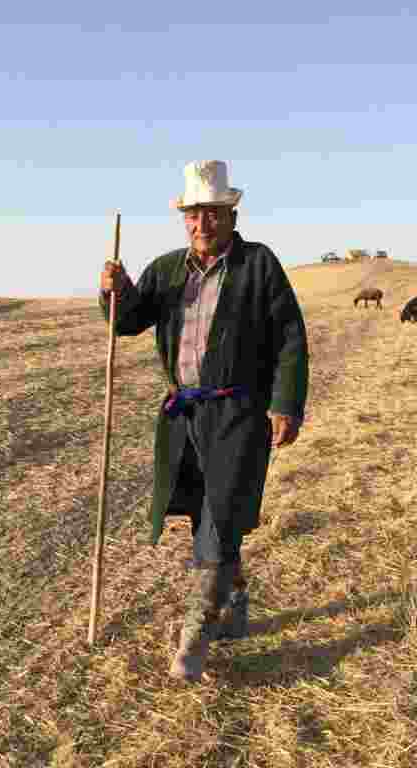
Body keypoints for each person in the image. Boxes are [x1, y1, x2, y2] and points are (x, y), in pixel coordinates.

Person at [99, 160, 309, 682]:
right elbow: (128, 321)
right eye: (193, 214)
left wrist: (285, 404)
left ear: (231, 215)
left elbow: (289, 335)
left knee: (220, 515)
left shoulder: (258, 265)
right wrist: (115, 291)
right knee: (204, 512)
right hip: (184, 415)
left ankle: (198, 628)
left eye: (212, 213)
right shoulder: (168, 269)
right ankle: (235, 596)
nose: (202, 223)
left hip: (238, 413)